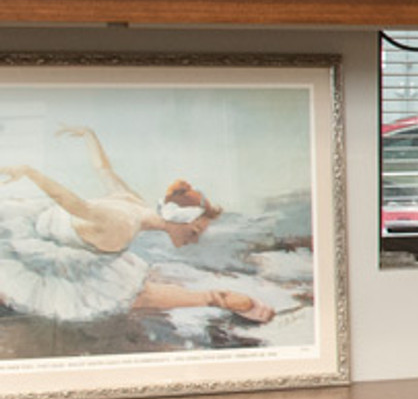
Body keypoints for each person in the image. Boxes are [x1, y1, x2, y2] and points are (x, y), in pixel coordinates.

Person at [0, 125, 274, 323]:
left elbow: (104, 170)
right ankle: (222, 299)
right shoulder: (122, 225)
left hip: (48, 230)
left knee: (132, 289)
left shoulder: (134, 203)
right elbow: (78, 206)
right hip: (28, 237)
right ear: (176, 218)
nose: (194, 240)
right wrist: (30, 172)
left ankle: (222, 299)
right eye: (193, 232)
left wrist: (89, 135)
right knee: (124, 293)